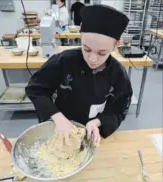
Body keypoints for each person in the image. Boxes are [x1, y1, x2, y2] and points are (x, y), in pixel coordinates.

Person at [26, 5, 133, 146]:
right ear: (80, 38)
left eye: (102, 53)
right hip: (60, 126)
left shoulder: (118, 74)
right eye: (86, 49)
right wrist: (57, 118)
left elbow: (119, 108)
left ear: (116, 45)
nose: (92, 59)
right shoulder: (64, 61)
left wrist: (98, 122)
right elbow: (36, 89)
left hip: (92, 132)